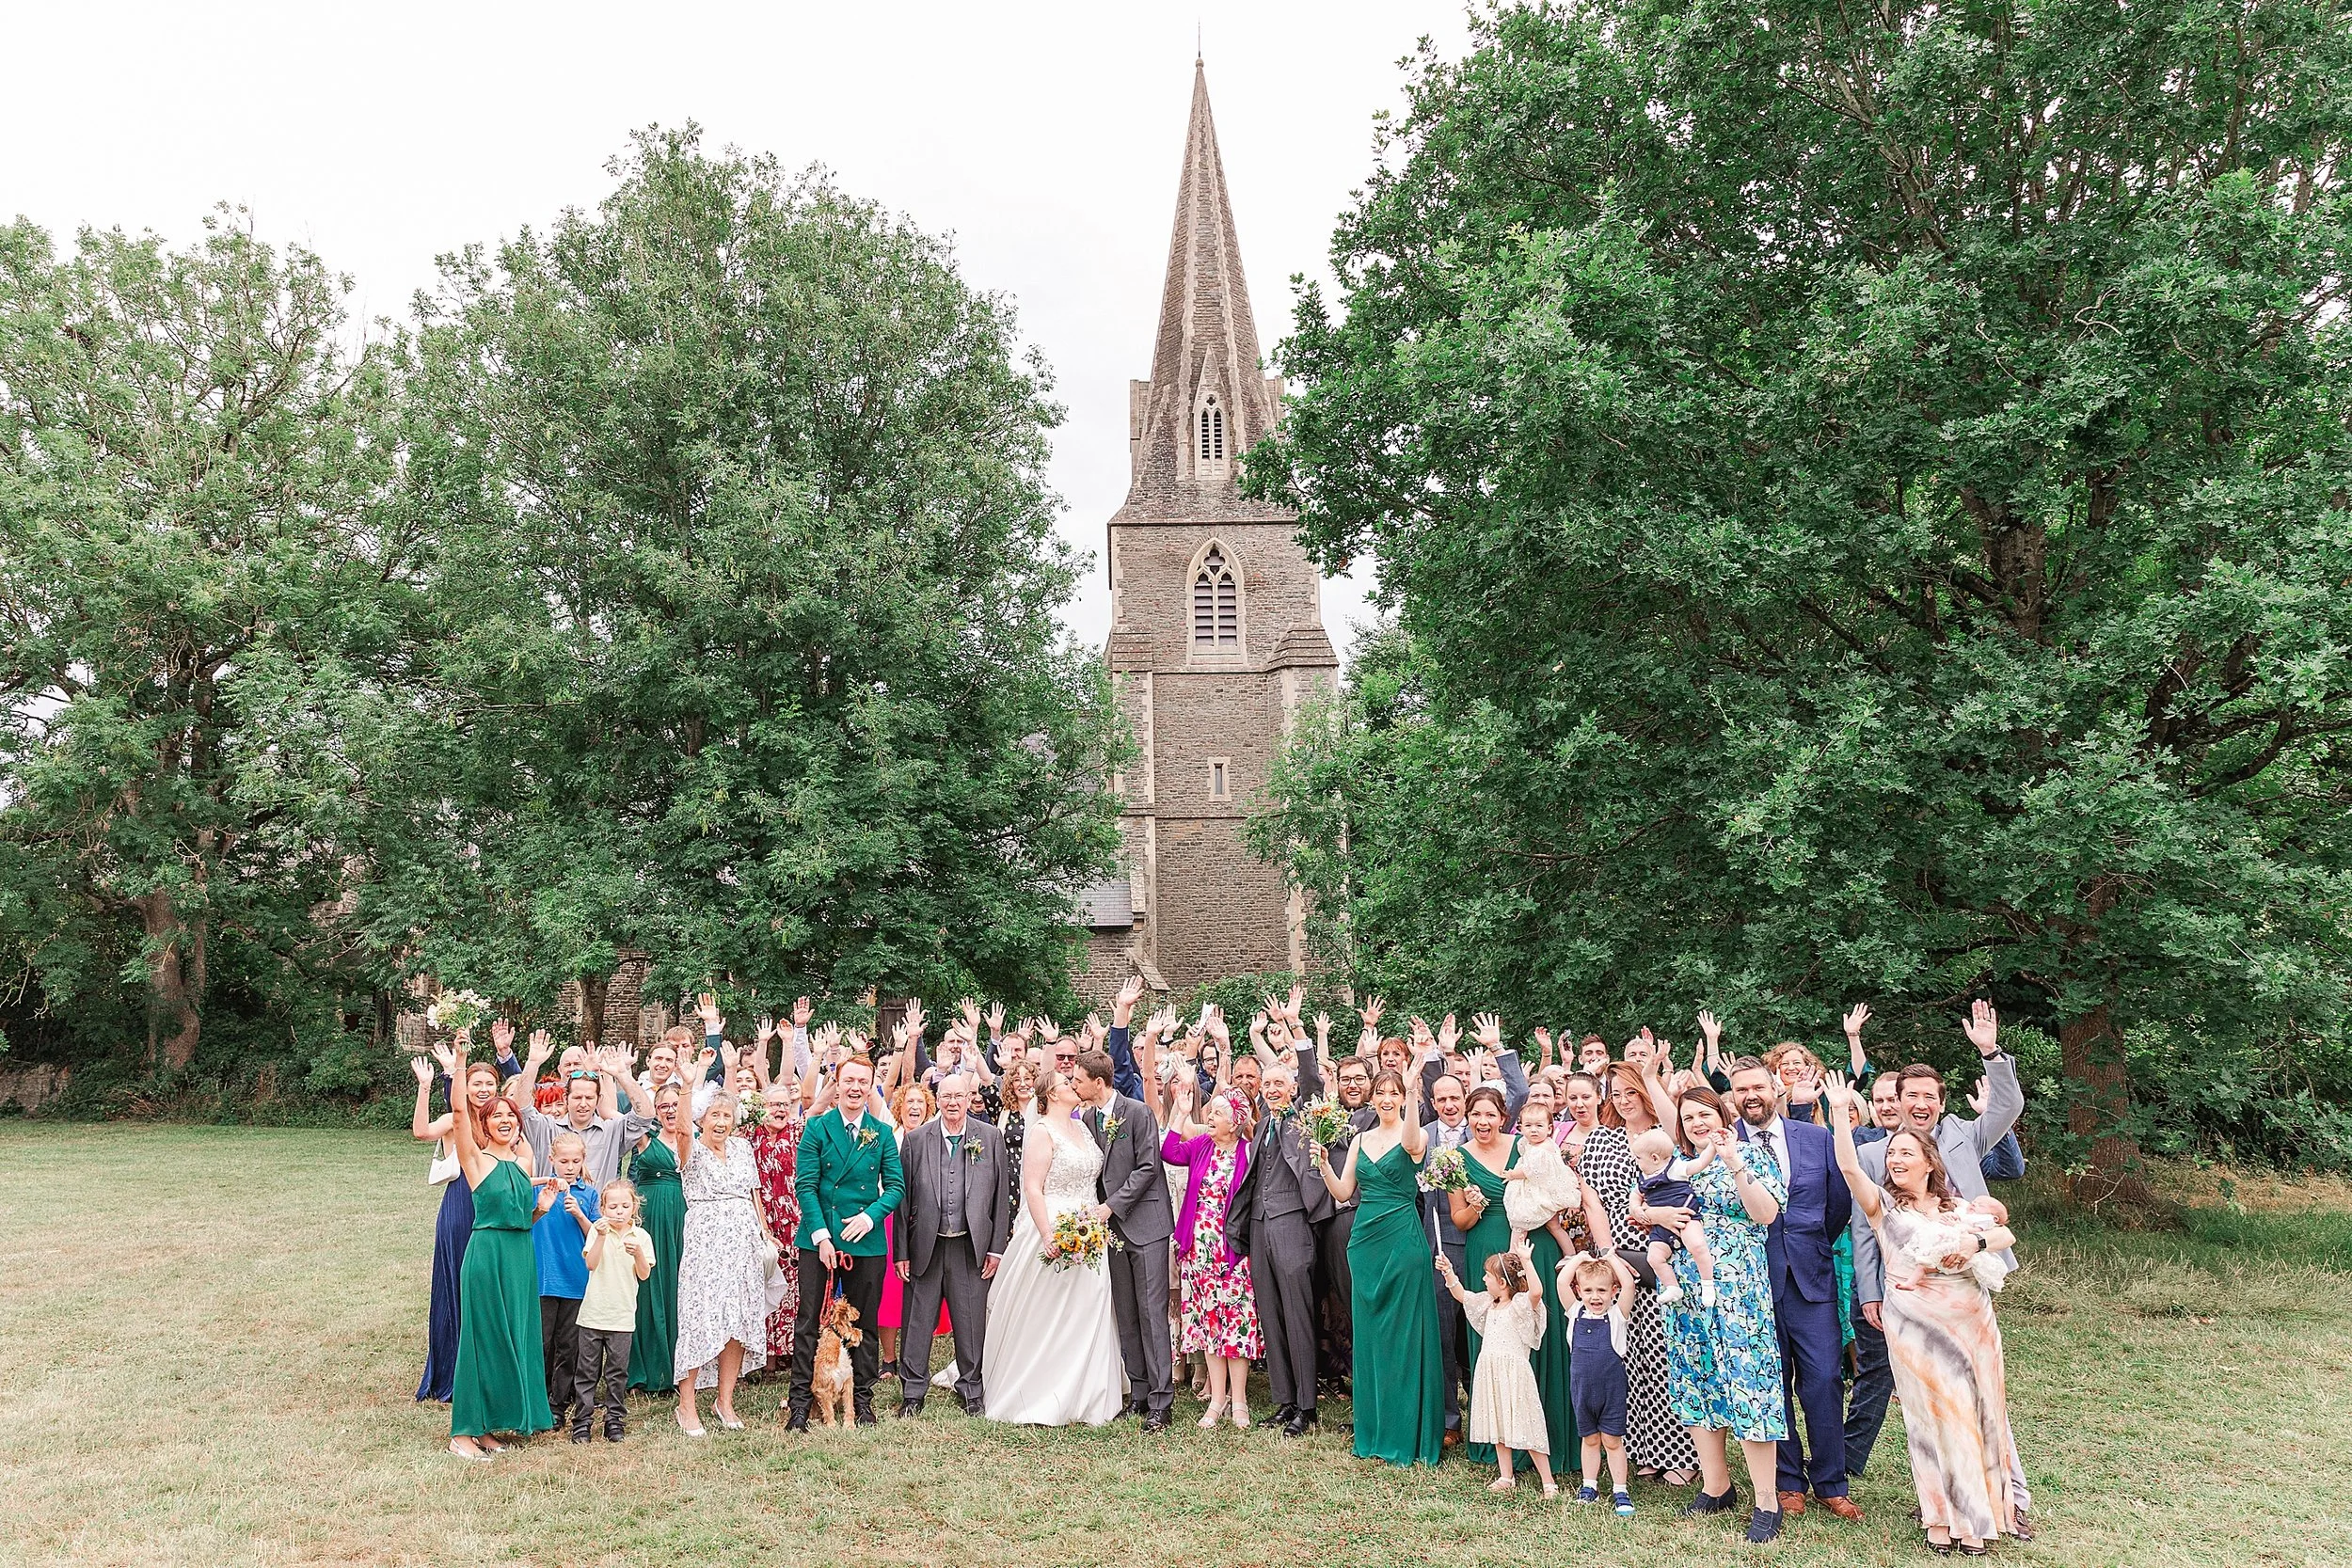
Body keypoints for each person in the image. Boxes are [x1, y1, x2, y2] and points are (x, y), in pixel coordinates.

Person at [1846, 1000, 2032, 1535]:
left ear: (1940, 1103)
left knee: (1982, 1394)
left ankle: (2007, 1501)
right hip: (1909, 1295)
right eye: (1912, 1096)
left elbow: (2007, 1109)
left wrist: (1991, 1053)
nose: (1921, 1104)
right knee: (1929, 1400)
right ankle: (1946, 1500)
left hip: (1968, 1287)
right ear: (1897, 1102)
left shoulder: (1963, 1137)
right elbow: (1865, 1227)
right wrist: (1870, 1290)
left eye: (1930, 1096)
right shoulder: (1882, 1153)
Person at [1635, 1062, 1790, 1544]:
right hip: (1685, 1287)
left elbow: (1765, 1215)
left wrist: (1734, 1165)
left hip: (1738, 1285)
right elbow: (1640, 1206)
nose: (1698, 1123)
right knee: (1697, 1378)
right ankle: (1716, 1485)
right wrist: (1653, 1212)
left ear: (1721, 1114)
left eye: (1705, 1114)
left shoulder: (1751, 1154)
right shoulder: (1674, 1163)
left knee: (1748, 1382)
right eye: (1689, 1117)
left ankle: (1766, 1499)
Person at [1720, 1026, 1861, 1524]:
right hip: (1750, 1284)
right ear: (1732, 1099)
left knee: (1823, 1380)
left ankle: (1831, 1481)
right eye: (1740, 1090)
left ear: (1777, 1089)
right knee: (1770, 1383)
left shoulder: (1815, 1138)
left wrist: (1808, 1244)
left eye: (1758, 1087)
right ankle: (1786, 1481)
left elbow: (1837, 1207)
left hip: (1810, 1276)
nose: (1750, 1096)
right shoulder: (1723, 1144)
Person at [1453, 1081, 1598, 1476]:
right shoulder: (1455, 1157)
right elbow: (1458, 1220)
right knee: (1499, 1341)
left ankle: (1554, 1439)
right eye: (1476, 1114)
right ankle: (1502, 1447)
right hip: (1487, 1246)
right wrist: (1476, 1205)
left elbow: (1554, 1184)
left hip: (1535, 1242)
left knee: (1543, 1336)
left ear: (1504, 1118)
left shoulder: (1527, 1146)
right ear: (1468, 1118)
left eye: (1490, 1114)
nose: (1483, 1121)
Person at [983, 1069, 1129, 1425]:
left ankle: (1089, 1392)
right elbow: (1033, 1188)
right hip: (1053, 1226)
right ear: (1049, 1095)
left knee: (1089, 1307)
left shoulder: (1084, 1127)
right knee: (1048, 1311)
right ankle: (1039, 1389)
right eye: (1066, 1083)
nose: (1073, 1085)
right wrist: (1048, 1235)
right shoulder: (1041, 1131)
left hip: (1090, 1227)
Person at [1317, 1067, 1444, 1465]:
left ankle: (1407, 1432)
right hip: (1366, 1245)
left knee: (1404, 1338)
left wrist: (1411, 1089)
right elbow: (1343, 1191)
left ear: (1403, 1098)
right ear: (1372, 1099)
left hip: (1403, 1241)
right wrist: (1323, 1164)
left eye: (1394, 1093)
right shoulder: (1359, 1139)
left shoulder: (1416, 1134)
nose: (1387, 1099)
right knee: (1371, 1339)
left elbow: (1411, 1142)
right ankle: (1374, 1428)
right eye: (1381, 1093)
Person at [433, 1030, 548, 1461]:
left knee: (512, 1338)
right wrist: (460, 1062)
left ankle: (488, 1427)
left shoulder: (524, 1162)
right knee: (480, 1339)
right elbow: (459, 1112)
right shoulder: (476, 1160)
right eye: (496, 1116)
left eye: (511, 1117)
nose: (504, 1120)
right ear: (486, 1124)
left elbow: (525, 1217)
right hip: (486, 1256)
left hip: (520, 1256)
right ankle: (462, 1432)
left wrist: (542, 1208)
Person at [1584, 1062, 1702, 1485]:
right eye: (1615, 1093)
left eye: (1629, 1090)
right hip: (1618, 1248)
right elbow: (1593, 1201)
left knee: (1667, 1353)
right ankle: (1641, 1447)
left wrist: (1656, 1215)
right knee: (1629, 1353)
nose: (1622, 1099)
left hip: (1664, 1247)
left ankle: (1683, 1453)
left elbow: (1685, 1173)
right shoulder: (1601, 1139)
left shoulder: (1667, 1135)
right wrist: (1606, 1255)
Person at [787, 1053, 904, 1431]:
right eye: (849, 1081)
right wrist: (822, 1236)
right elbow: (805, 1185)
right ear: (837, 1085)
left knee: (865, 1323)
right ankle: (800, 1405)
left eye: (863, 1082)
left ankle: (863, 1401)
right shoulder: (817, 1129)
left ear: (871, 1088)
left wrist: (871, 1216)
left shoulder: (882, 1133)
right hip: (818, 1237)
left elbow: (897, 1187)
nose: (855, 1088)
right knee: (809, 1321)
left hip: (866, 1242)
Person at [1223, 1055, 1330, 1437]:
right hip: (1259, 1225)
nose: (1271, 1091)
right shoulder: (1264, 1122)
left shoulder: (1303, 1115)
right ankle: (1284, 1400)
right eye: (1266, 1086)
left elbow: (1314, 1084)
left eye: (1278, 1085)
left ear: (1291, 1089)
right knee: (1270, 1315)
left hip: (1291, 1223)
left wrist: (1299, 1037)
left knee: (1298, 1315)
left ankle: (1306, 1406)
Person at [672, 1053, 778, 1437]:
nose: (721, 1122)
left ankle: (724, 1399)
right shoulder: (690, 1150)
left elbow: (754, 1195)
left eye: (727, 1116)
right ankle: (686, 1405)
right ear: (702, 1119)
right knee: (701, 1316)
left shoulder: (743, 1149)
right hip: (706, 1240)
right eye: (714, 1115)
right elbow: (682, 1132)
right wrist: (687, 1085)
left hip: (745, 1241)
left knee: (738, 1319)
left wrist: (765, 1233)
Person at [894, 1071, 1012, 1416]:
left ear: (968, 1098)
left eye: (959, 1096)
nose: (952, 1103)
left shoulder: (990, 1137)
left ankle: (972, 1390)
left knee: (971, 1321)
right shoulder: (916, 1140)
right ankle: (913, 1393)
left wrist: (996, 1247)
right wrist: (902, 1251)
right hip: (925, 1246)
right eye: (946, 1096)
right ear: (938, 1099)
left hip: (970, 1246)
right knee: (917, 1321)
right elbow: (903, 1201)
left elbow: (1000, 1197)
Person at [1073, 1044, 1177, 1430]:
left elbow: (1148, 1167)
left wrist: (1110, 1206)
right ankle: (1139, 1391)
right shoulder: (1086, 1118)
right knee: (1126, 1314)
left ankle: (1162, 1402)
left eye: (1079, 1080)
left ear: (1098, 1083)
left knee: (1152, 1315)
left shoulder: (1137, 1112)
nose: (1073, 1084)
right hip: (1110, 1232)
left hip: (1146, 1225)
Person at [1160, 1079, 1262, 1428]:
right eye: (1211, 1111)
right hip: (1198, 1249)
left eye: (1218, 1112)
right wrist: (1180, 1113)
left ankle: (1240, 1402)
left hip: (1233, 1251)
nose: (1210, 1116)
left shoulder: (1248, 1152)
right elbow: (1169, 1152)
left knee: (1236, 1325)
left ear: (1235, 1121)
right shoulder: (1202, 1144)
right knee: (1210, 1325)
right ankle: (1217, 1400)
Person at [410, 1052, 501, 1404]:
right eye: (476, 1083)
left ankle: (484, 1372)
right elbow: (420, 1132)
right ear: (466, 1087)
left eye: (489, 1084)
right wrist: (425, 1087)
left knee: (483, 1290)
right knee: (455, 1286)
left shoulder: (501, 1118)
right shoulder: (454, 1119)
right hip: (461, 1207)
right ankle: (449, 1374)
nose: (482, 1089)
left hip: (491, 1208)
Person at [1438, 1243, 1557, 1495]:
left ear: (1502, 1282)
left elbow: (1536, 1292)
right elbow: (1462, 1295)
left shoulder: (1519, 1305)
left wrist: (1527, 1261)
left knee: (1527, 1423)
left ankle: (1548, 1482)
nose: (1483, 1279)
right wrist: (1449, 1272)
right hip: (1491, 1371)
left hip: (1514, 1374)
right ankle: (1506, 1476)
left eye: (1487, 1276)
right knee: (1499, 1424)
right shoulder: (1488, 1304)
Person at [744, 1009, 816, 1396]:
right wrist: (766, 1046)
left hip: (797, 1217)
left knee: (795, 1285)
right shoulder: (749, 1136)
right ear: (760, 1107)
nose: (779, 1108)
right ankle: (763, 1355)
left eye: (783, 1105)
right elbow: (768, 1080)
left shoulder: (802, 1130)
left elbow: (793, 1085)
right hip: (761, 1218)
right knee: (763, 1282)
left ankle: (789, 1352)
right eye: (771, 1104)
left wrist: (791, 1044)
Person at [531, 1131, 601, 1432]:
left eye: (575, 1161)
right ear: (551, 1160)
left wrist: (580, 1215)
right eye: (563, 1161)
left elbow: (598, 1236)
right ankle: (537, 1401)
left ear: (583, 1160)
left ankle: (558, 1404)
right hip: (544, 1279)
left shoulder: (589, 1194)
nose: (569, 1167)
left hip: (576, 1280)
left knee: (568, 1346)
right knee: (541, 1343)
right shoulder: (540, 1190)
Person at [573, 1178, 652, 1442]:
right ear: (604, 1209)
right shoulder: (597, 1230)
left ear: (634, 1208)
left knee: (617, 1373)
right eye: (613, 1206)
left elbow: (643, 1274)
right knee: (587, 1371)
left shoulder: (640, 1237)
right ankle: (582, 1422)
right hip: (593, 1314)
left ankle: (614, 1420)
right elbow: (591, 1264)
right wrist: (601, 1237)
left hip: (622, 1317)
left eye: (625, 1206)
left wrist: (638, 1254)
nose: (619, 1211)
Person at [1565, 1252, 1640, 1515]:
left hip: (1611, 1388)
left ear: (1613, 1291)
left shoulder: (1618, 1315)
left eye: (1601, 1290)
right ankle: (1589, 1486)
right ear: (1579, 1291)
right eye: (1588, 1290)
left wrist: (1611, 1258)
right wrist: (1579, 1258)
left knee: (1612, 1439)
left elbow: (1630, 1284)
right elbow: (1562, 1283)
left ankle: (1620, 1489)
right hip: (1582, 1389)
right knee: (1589, 1438)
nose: (1595, 1296)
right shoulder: (1575, 1312)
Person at [877, 1077, 942, 1378]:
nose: (914, 1107)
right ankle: (889, 1359)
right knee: (890, 1291)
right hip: (890, 1219)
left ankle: (914, 1358)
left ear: (928, 1109)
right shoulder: (888, 1135)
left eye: (920, 1102)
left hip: (927, 1222)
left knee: (923, 1291)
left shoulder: (936, 1138)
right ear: (899, 1107)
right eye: (909, 1102)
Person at [626, 1083, 688, 1395]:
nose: (671, 1110)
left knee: (680, 1288)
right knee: (648, 1287)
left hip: (686, 1218)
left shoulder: (697, 1140)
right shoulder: (644, 1140)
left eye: (677, 1104)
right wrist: (620, 1075)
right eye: (664, 1106)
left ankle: (680, 1370)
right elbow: (620, 1112)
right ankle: (645, 1370)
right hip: (650, 1219)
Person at [1422, 1069, 1474, 1444]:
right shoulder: (1424, 1136)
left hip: (1482, 1242)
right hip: (1440, 1245)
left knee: (1484, 1333)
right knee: (1442, 1333)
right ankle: (1448, 1420)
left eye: (1454, 1097)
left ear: (1465, 1096)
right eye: (1441, 1099)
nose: (1449, 1104)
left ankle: (1489, 1417)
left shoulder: (1485, 1129)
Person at [1629, 1128, 1716, 1305]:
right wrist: (1635, 1208)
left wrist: (1713, 1146)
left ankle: (1708, 1284)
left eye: (1638, 1158)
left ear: (1654, 1158)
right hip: (1661, 1227)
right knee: (1654, 1257)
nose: (1636, 1162)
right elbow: (1635, 1194)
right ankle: (1672, 1287)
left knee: (1697, 1245)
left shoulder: (1675, 1168)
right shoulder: (1644, 1176)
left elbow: (1699, 1164)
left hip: (1686, 1217)